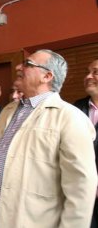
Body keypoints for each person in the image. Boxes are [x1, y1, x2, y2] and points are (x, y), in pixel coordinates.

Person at [0, 49, 98, 228]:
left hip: (34, 220)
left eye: (28, 64)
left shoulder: (71, 117)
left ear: (47, 76)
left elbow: (81, 187)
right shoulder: (8, 110)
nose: (20, 67)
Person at [74, 59, 98, 228]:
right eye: (87, 72)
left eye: (95, 72)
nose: (88, 76)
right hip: (82, 191)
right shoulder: (76, 108)